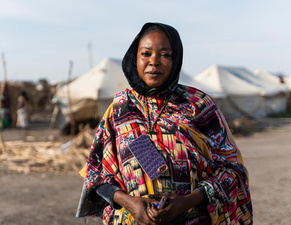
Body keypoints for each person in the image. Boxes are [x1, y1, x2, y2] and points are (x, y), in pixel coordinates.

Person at [76, 22, 253, 225]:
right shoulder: (119, 109)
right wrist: (131, 203)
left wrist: (186, 201)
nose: (154, 62)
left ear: (176, 59)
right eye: (146, 53)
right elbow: (96, 175)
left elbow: (232, 169)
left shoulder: (199, 105)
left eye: (165, 55)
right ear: (135, 57)